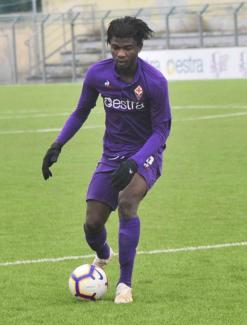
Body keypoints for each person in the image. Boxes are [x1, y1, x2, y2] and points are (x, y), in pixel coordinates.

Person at [42, 16, 172, 304]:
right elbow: (81, 112)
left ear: (138, 46)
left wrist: (135, 161)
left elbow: (162, 130)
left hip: (145, 155)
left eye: (127, 48)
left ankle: (125, 284)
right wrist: (58, 144)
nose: (120, 54)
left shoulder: (154, 82)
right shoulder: (98, 75)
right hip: (112, 155)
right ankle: (103, 254)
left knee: (127, 202)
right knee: (92, 223)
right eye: (115, 47)